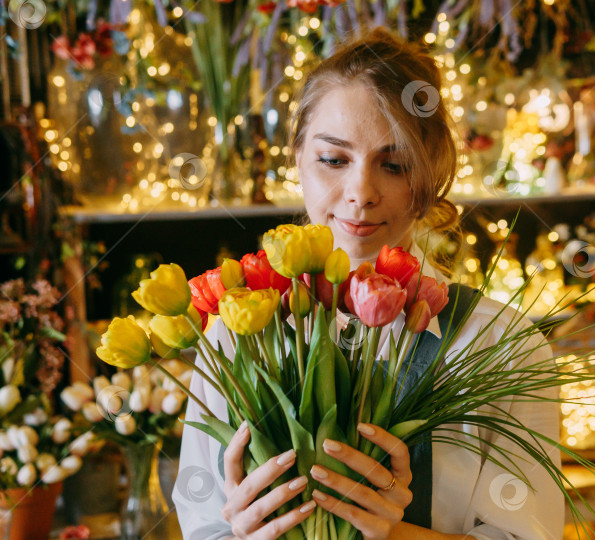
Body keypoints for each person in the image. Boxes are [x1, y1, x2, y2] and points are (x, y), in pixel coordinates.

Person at [173, 27, 563, 540]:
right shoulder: (236, 336)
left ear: (431, 174)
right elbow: (202, 524)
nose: (360, 192)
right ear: (298, 160)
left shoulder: (500, 346)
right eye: (334, 160)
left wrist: (396, 535)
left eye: (394, 164)